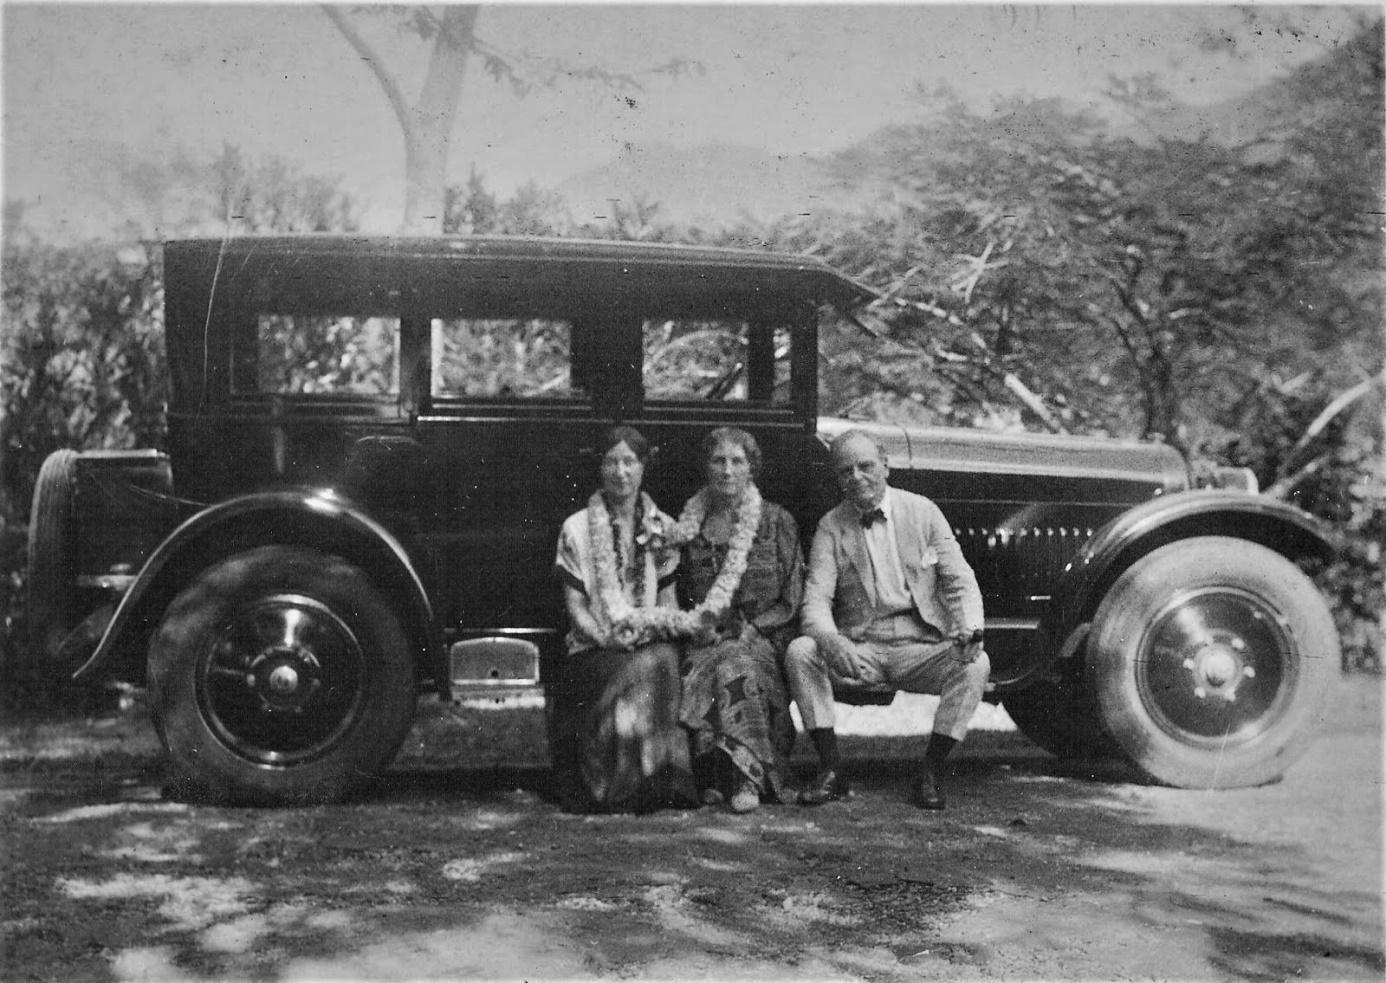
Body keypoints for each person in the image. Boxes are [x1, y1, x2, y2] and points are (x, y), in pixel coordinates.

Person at [785, 429, 989, 810]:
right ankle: (831, 769)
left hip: (920, 645)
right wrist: (832, 641)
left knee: (976, 664)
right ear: (838, 479)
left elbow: (960, 579)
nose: (857, 477)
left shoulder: (923, 512)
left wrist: (970, 627)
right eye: (846, 471)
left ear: (886, 466)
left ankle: (931, 769)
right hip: (861, 647)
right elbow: (815, 599)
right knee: (802, 651)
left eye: (866, 466)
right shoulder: (832, 526)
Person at [550, 425, 697, 813]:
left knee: (661, 659)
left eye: (629, 462)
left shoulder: (661, 527)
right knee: (645, 665)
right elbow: (576, 608)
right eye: (611, 462)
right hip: (595, 644)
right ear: (600, 468)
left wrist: (656, 626)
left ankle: (654, 783)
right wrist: (607, 637)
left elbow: (667, 599)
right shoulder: (577, 527)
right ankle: (612, 788)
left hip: (648, 638)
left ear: (643, 466)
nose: (620, 472)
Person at [671, 428, 804, 813]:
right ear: (706, 468)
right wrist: (700, 625)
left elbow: (792, 597)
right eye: (718, 461)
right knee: (708, 662)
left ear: (751, 469)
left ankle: (749, 777)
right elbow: (678, 595)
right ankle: (713, 775)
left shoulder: (777, 520)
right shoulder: (689, 525)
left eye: (737, 461)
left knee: (737, 662)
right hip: (706, 636)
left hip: (765, 634)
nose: (727, 470)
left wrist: (754, 628)